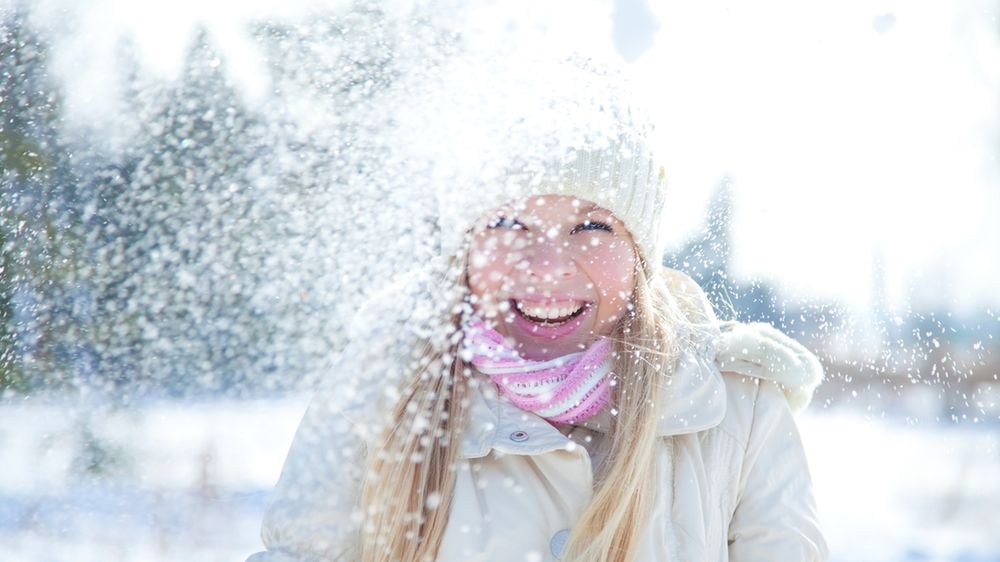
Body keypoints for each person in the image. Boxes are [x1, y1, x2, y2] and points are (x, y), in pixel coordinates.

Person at [247, 55, 828, 562]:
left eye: (592, 226)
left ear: (639, 253)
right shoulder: (382, 391)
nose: (548, 267)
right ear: (466, 249)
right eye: (508, 224)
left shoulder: (740, 409)